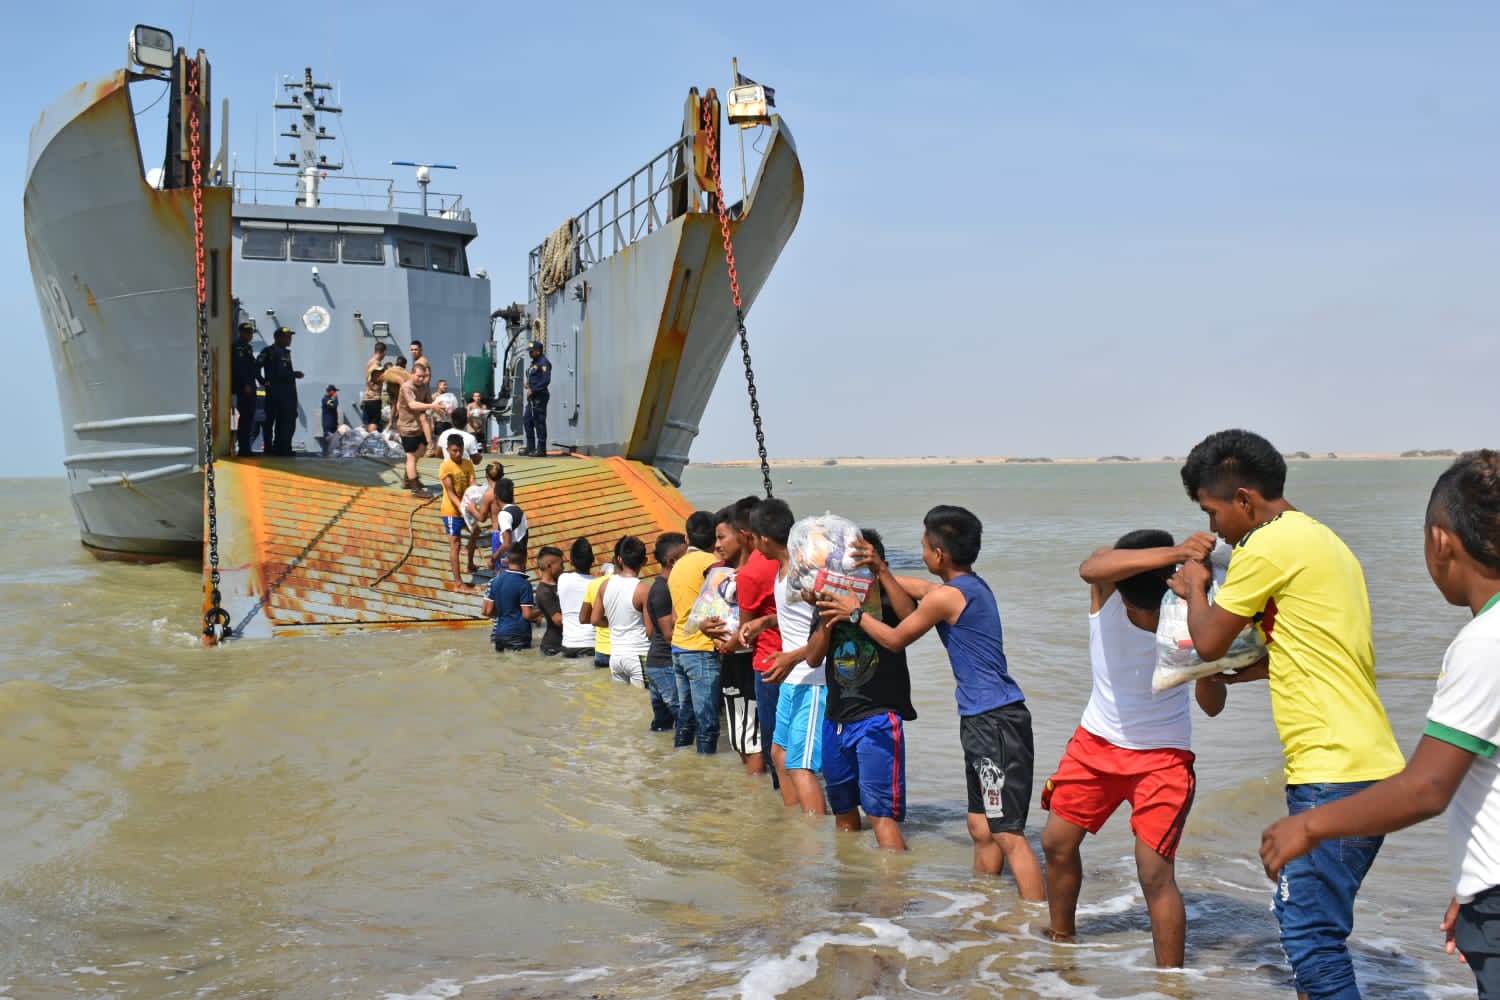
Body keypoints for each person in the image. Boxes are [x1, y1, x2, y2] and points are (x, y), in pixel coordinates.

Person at [1257, 450, 1500, 997]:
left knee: (1310, 936)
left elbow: (1428, 787)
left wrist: (1308, 827)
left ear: (1440, 541)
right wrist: (1477, 881)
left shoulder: (1484, 642)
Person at [1171, 428, 1404, 998]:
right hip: (1367, 762)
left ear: (1244, 499)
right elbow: (1315, 646)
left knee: (1310, 938)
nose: (1214, 529)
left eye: (1212, 512)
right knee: (1315, 933)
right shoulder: (1322, 539)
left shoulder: (1266, 545)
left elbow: (1207, 642)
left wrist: (1195, 586)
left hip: (1332, 769)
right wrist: (1251, 669)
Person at [818, 505, 1044, 899]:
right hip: (981, 720)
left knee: (1007, 833)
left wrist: (855, 613)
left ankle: (1041, 924)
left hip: (996, 722)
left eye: (924, 546)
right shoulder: (967, 586)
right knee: (980, 827)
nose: (921, 553)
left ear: (938, 554)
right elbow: (915, 588)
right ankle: (984, 909)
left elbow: (894, 639)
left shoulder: (948, 597)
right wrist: (867, 573)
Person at [1038, 528, 1223, 967]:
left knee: (1154, 873)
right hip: (1095, 743)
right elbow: (1091, 566)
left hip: (1164, 758)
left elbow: (1212, 706)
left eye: (1147, 610)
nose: (1139, 615)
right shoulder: (1106, 593)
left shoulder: (1192, 615)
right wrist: (1178, 551)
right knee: (1056, 843)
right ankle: (1061, 943)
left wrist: (1207, 664)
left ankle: (1171, 983)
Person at [809, 529, 918, 851]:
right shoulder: (830, 601)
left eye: (861, 567)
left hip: (878, 718)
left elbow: (911, 620)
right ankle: (850, 877)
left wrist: (880, 571)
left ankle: (893, 881)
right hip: (836, 720)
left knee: (880, 814)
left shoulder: (887, 597)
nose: (852, 576)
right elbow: (813, 657)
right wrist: (829, 615)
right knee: (843, 813)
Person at [751, 505, 826, 814]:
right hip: (791, 679)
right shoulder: (782, 571)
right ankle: (795, 828)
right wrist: (766, 622)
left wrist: (793, 657)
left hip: (814, 679)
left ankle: (814, 833)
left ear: (764, 539)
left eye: (754, 538)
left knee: (800, 765)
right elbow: (797, 616)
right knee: (779, 755)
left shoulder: (804, 570)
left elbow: (828, 624)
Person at [702, 498, 766, 775]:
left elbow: (756, 624)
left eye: (721, 537)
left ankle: (755, 795)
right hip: (730, 658)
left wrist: (730, 644)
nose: (716, 545)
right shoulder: (719, 573)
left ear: (742, 535)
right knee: (741, 735)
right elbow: (703, 613)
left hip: (748, 660)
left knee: (751, 738)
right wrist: (704, 627)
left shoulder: (755, 573)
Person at [737, 498, 787, 787]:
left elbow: (745, 631)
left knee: (776, 746)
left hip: (768, 664)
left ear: (750, 536)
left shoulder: (750, 573)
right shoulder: (801, 562)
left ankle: (784, 801)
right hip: (806, 659)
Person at [669, 512, 722, 753]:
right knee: (707, 722)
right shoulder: (711, 563)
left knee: (686, 716)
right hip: (700, 648)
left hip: (679, 646)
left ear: (687, 539)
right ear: (715, 538)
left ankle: (682, 761)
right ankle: (705, 765)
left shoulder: (677, 565)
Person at [593, 535, 650, 688]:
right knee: (642, 700)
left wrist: (615, 623)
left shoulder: (604, 585)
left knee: (620, 700)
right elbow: (650, 631)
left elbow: (595, 619)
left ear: (619, 559)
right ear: (645, 561)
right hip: (639, 654)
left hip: (616, 656)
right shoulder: (643, 590)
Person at [646, 533, 687, 732]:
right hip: (664, 665)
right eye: (686, 556)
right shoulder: (663, 590)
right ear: (672, 561)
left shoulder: (664, 586)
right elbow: (669, 634)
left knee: (662, 726)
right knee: (684, 719)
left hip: (658, 664)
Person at [482, 542, 538, 652]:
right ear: (525, 559)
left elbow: (488, 611)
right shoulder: (524, 584)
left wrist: (506, 611)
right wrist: (542, 610)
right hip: (518, 636)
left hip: (499, 635)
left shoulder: (495, 581)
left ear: (507, 559)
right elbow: (527, 615)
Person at [437, 436, 478, 592]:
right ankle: (459, 583)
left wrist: (477, 495)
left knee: (476, 532)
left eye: (460, 450)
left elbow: (472, 484)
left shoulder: (468, 464)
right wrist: (462, 508)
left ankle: (470, 565)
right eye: (454, 451)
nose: (458, 453)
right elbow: (450, 493)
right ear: (448, 450)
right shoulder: (446, 467)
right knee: (455, 544)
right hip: (451, 511)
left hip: (465, 508)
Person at [258, 325, 304, 455]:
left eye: (290, 337)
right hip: (275, 392)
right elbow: (256, 367)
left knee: (287, 420)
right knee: (271, 420)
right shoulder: (268, 351)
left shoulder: (285, 352)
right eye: (286, 337)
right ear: (277, 338)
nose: (289, 339)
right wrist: (263, 381)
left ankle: (282, 447)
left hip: (287, 393)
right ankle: (270, 447)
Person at [395, 364, 437, 492]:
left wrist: (437, 406)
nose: (421, 379)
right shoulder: (406, 387)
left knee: (421, 450)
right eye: (418, 376)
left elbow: (429, 402)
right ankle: (415, 488)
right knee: (411, 456)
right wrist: (431, 406)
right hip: (407, 427)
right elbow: (412, 405)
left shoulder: (424, 386)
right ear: (412, 374)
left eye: (423, 376)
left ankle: (408, 478)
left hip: (419, 426)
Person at [557, 538, 597, 660]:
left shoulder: (562, 579)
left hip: (568, 645)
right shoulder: (599, 584)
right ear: (593, 560)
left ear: (571, 561)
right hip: (591, 644)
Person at [464, 462, 501, 575]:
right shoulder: (507, 490)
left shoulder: (488, 495)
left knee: (498, 568)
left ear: (486, 476)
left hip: (498, 534)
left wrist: (472, 509)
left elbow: (482, 518)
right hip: (510, 531)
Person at [581, 552, 617, 670]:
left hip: (601, 651)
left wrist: (605, 621)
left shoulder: (594, 583)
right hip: (623, 651)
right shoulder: (633, 584)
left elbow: (583, 618)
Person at [232, 321, 260, 456]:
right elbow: (240, 368)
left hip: (250, 385)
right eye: (247, 333)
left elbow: (252, 367)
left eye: (251, 333)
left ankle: (246, 447)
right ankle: (243, 448)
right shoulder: (237, 347)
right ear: (241, 333)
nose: (250, 335)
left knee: (249, 418)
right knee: (245, 417)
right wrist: (245, 385)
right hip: (244, 388)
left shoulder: (247, 347)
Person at [532, 545, 566, 657]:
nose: (563, 567)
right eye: (561, 564)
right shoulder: (544, 591)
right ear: (549, 566)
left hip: (563, 643)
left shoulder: (560, 583)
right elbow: (558, 620)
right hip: (553, 648)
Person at [521, 340, 551, 456]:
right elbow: (535, 376)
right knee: (527, 421)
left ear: (538, 351)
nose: (530, 353)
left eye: (532, 351)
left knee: (539, 422)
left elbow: (545, 380)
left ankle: (541, 449)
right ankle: (531, 447)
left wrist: (533, 389)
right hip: (533, 398)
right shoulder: (535, 363)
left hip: (539, 397)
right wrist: (528, 383)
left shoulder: (544, 363)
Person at [492, 477, 528, 571]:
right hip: (520, 559)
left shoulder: (504, 514)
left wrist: (493, 558)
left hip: (509, 560)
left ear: (496, 497)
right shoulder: (519, 511)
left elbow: (507, 543)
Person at [362, 342, 389, 430]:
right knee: (374, 422)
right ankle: (372, 438)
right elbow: (378, 379)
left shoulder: (369, 362)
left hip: (367, 397)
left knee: (367, 423)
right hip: (374, 397)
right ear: (384, 352)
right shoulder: (377, 364)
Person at [320, 384, 340, 456]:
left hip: (333, 423)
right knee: (327, 439)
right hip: (328, 423)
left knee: (333, 441)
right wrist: (335, 399)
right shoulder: (326, 399)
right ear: (331, 391)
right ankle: (325, 454)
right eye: (334, 391)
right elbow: (334, 406)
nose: (335, 393)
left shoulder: (329, 399)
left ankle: (331, 454)